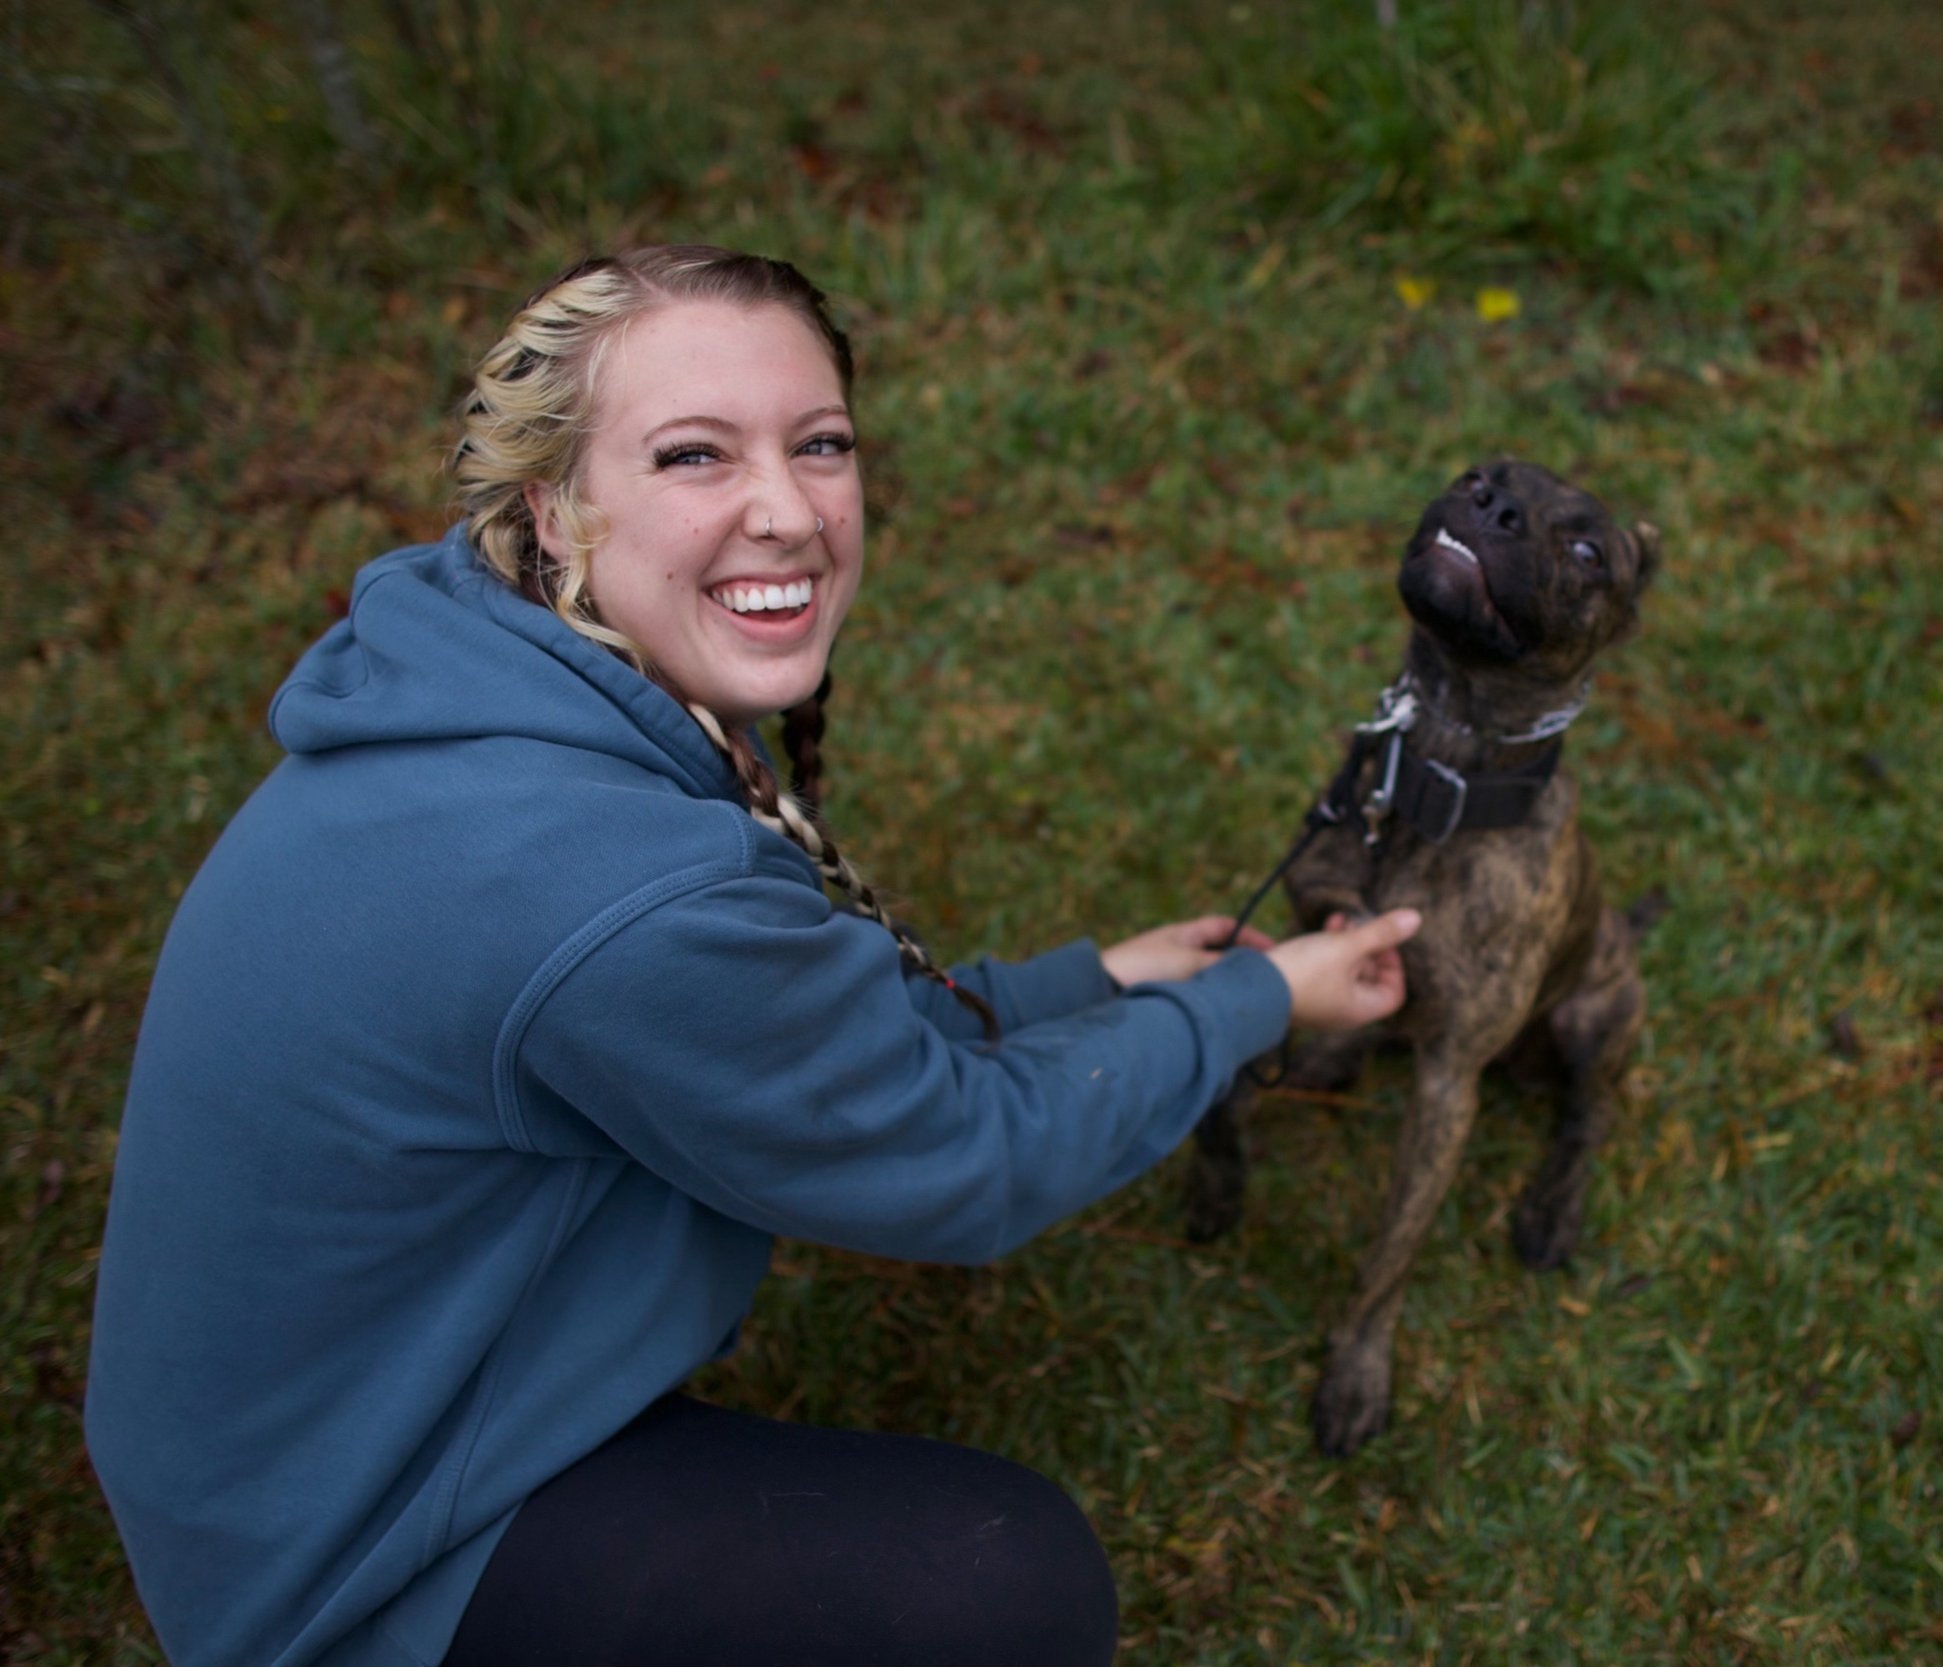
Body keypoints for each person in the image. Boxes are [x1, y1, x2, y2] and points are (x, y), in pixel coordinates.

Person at [86, 246, 1421, 1667]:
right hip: (350, 1560)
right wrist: (1253, 1002)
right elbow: (959, 1161)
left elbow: (803, 1022)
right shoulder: (617, 887)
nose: (785, 510)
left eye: (820, 444)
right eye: (692, 456)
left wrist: (1087, 988)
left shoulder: (489, 679)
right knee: (1003, 1590)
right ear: (555, 505)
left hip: (275, 1452)